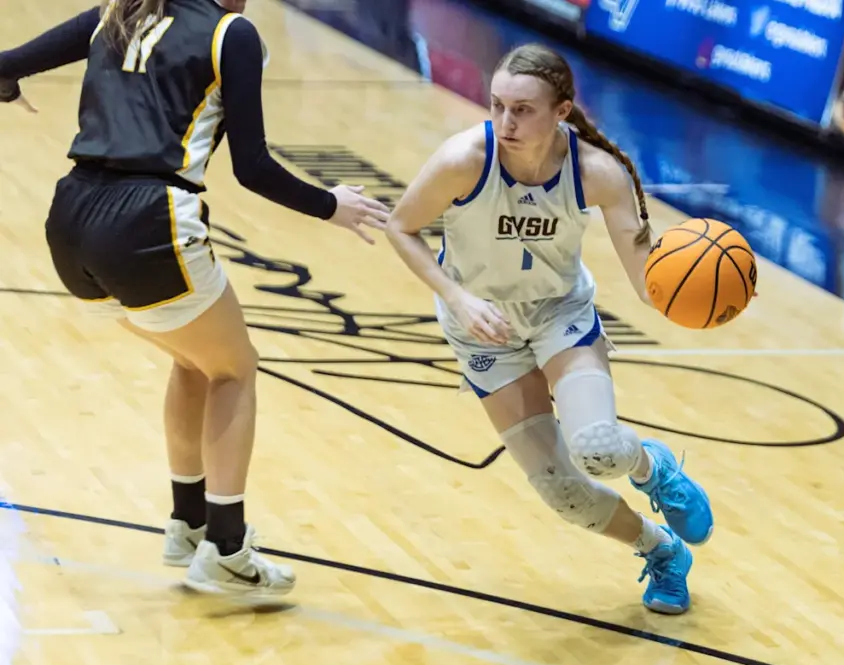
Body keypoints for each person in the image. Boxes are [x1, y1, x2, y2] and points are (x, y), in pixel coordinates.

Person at [0, 0, 390, 596]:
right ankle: (227, 550)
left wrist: (8, 88)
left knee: (196, 360)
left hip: (70, 222)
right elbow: (252, 166)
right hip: (145, 221)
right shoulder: (231, 33)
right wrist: (328, 204)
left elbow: (4, 64)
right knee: (235, 368)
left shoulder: (118, 10)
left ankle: (189, 525)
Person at [385, 43, 713, 614]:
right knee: (564, 493)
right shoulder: (463, 159)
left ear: (561, 111)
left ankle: (652, 467)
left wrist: (699, 290)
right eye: (497, 105)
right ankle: (662, 550)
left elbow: (648, 284)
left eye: (522, 110)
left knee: (599, 449)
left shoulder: (597, 173)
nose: (505, 122)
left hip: (559, 314)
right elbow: (400, 226)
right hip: (482, 326)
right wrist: (457, 298)